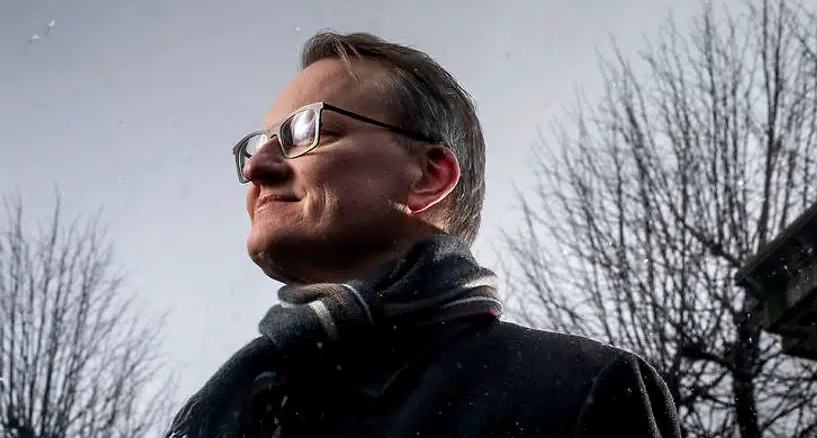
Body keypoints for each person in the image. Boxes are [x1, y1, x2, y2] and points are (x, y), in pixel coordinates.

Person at [167, 30, 681, 437]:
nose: (256, 168)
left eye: (306, 131)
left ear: (428, 176)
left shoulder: (576, 391)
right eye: (257, 145)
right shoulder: (222, 407)